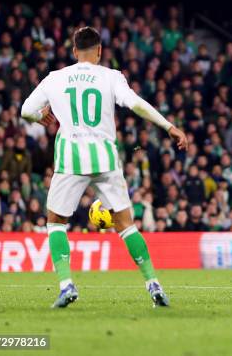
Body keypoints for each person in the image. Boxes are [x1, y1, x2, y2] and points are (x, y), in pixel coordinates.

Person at [21, 26, 188, 308]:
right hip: (106, 159)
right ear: (99, 51)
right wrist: (169, 126)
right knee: (126, 225)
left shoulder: (55, 78)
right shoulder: (111, 77)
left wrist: (39, 117)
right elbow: (136, 104)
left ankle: (66, 285)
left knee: (55, 222)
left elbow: (25, 111)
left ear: (74, 52)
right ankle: (153, 284)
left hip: (70, 159)